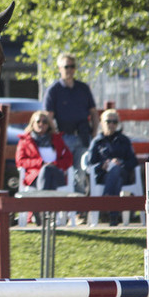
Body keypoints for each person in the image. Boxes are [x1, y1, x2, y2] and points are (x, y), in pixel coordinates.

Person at [43, 53, 99, 195]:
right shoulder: (53, 90)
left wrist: (94, 132)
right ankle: (66, 208)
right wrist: (56, 134)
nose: (69, 69)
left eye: (72, 66)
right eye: (66, 66)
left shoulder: (83, 88)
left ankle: (78, 211)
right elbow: (48, 116)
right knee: (64, 173)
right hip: (64, 137)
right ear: (60, 68)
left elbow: (93, 112)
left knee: (80, 173)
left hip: (83, 136)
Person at [87, 109, 137, 226]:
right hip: (103, 176)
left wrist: (121, 162)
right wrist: (102, 165)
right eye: (108, 121)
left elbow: (133, 161)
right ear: (101, 123)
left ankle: (107, 201)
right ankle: (113, 216)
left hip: (123, 173)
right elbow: (90, 165)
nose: (111, 124)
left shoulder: (124, 140)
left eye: (114, 122)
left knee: (116, 170)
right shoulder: (97, 142)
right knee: (116, 178)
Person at [15, 110, 73, 190]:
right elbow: (20, 161)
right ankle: (48, 200)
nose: (41, 124)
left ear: (48, 125)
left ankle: (42, 200)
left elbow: (68, 159)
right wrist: (41, 163)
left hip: (56, 173)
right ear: (33, 123)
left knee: (48, 170)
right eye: (38, 121)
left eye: (45, 122)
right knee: (46, 171)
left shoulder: (57, 139)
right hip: (35, 175)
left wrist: (54, 164)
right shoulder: (25, 141)